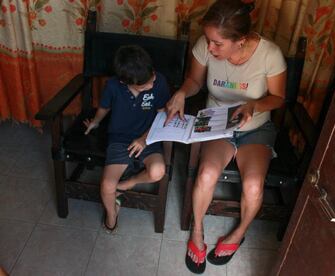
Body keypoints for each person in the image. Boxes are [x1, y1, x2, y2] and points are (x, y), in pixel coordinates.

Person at [165, 0, 287, 273]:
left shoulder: (270, 54)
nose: (210, 48)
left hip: (256, 128)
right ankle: (197, 233)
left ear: (240, 41)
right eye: (208, 40)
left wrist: (254, 105)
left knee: (254, 185)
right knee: (206, 173)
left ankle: (238, 233)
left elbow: (278, 98)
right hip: (218, 123)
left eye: (217, 44)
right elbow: (195, 81)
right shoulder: (205, 45)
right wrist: (183, 92)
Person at [84, 45, 170, 233]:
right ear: (125, 82)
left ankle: (125, 185)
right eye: (144, 84)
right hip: (120, 139)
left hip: (149, 137)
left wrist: (144, 139)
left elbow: (163, 115)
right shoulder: (114, 86)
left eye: (152, 76)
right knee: (107, 185)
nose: (151, 83)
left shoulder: (159, 81)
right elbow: (105, 107)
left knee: (158, 171)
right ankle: (112, 214)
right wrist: (96, 122)